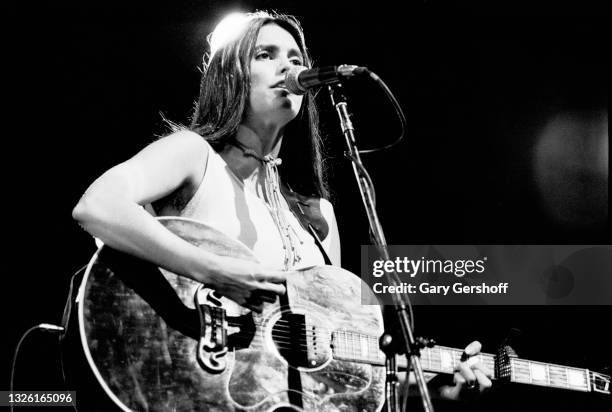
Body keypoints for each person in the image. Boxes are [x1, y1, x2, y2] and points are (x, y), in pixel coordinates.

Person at [72, 10, 491, 408]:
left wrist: (430, 386)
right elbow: (97, 206)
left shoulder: (319, 216)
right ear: (232, 74)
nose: (288, 69)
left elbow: (332, 370)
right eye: (266, 55)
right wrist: (214, 270)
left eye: (296, 59)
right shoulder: (194, 155)